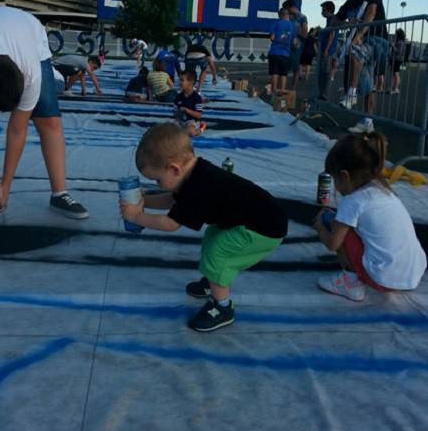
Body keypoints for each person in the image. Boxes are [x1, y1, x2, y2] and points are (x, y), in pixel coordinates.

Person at [120, 123, 288, 332]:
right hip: (257, 217)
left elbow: (171, 224)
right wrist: (144, 200)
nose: (158, 184)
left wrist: (137, 216)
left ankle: (223, 307)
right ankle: (213, 280)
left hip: (264, 228)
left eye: (157, 179)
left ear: (174, 168)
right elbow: (173, 199)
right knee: (213, 236)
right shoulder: (194, 173)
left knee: (219, 253)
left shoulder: (197, 187)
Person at [0, 6, 88, 218]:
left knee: (49, 120)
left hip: (30, 34)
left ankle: (60, 193)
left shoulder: (31, 73)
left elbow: (17, 130)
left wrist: (4, 186)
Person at [313, 132, 426, 301]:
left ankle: (351, 284)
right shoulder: (384, 189)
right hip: (413, 275)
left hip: (384, 279)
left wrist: (320, 226)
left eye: (334, 180)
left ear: (344, 176)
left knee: (332, 221)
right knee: (346, 222)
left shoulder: (352, 201)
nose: (335, 187)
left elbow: (332, 243)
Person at [334, 0, 388, 112]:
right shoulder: (350, 3)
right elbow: (335, 21)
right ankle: (368, 122)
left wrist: (359, 35)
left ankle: (351, 94)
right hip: (362, 42)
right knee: (367, 83)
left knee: (354, 51)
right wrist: (348, 24)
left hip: (376, 40)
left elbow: (371, 13)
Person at [267, 8, 295, 93]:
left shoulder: (276, 23)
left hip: (274, 52)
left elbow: (272, 37)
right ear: (287, 15)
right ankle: (282, 91)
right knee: (283, 74)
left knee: (274, 73)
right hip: (285, 53)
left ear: (280, 15)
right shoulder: (292, 25)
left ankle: (274, 91)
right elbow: (294, 41)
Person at [282, 0, 308, 90]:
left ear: (291, 8)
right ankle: (282, 89)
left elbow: (305, 33)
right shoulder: (289, 17)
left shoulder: (302, 18)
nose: (286, 12)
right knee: (283, 68)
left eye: (286, 10)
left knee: (296, 69)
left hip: (297, 48)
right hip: (286, 47)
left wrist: (294, 31)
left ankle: (292, 89)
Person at [173, 71, 206, 136]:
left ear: (191, 82)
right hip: (180, 121)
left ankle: (201, 128)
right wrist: (178, 113)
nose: (179, 83)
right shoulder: (178, 97)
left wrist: (186, 110)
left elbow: (199, 115)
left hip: (192, 121)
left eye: (182, 80)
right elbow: (174, 114)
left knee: (190, 132)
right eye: (179, 80)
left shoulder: (197, 97)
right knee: (169, 130)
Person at [318, 1, 339, 100]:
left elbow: (332, 34)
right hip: (328, 50)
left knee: (327, 73)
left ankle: (324, 95)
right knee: (324, 72)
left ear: (329, 10)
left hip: (329, 51)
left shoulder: (332, 19)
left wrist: (326, 49)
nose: (322, 12)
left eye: (323, 10)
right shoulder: (329, 20)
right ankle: (323, 93)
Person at [389, 28, 406, 94]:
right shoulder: (401, 42)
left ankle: (395, 88)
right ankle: (395, 87)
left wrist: (393, 46)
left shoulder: (400, 42)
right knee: (395, 74)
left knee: (396, 74)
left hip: (397, 59)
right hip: (396, 59)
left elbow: (398, 52)